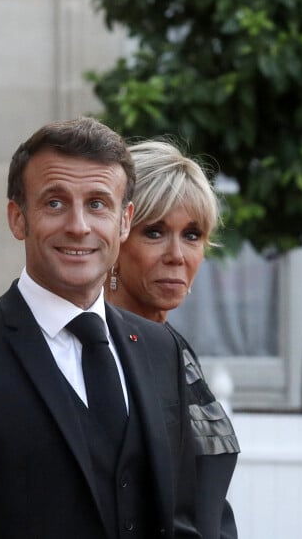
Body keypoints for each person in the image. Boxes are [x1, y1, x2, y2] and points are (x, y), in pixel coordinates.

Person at [0, 118, 201, 539]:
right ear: (18, 218)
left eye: (97, 204)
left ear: (124, 221)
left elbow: (183, 520)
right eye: (55, 203)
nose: (78, 226)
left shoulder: (161, 348)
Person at [105, 140, 240, 539]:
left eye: (192, 234)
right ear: (116, 238)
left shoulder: (174, 348)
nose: (177, 255)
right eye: (155, 232)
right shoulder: (97, 351)